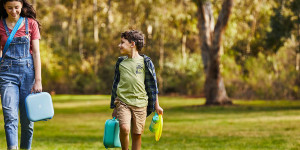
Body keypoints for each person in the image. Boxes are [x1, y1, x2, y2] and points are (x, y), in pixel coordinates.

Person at [111, 30, 164, 150]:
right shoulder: (120, 62)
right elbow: (116, 85)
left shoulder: (146, 62)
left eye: (122, 42)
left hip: (140, 104)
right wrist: (115, 107)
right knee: (124, 128)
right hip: (123, 102)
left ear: (132, 44)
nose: (119, 45)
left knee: (137, 134)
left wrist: (157, 106)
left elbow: (152, 86)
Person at [0, 0, 42, 149]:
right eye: (9, 8)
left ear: (22, 6)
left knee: (27, 121)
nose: (13, 11)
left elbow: (36, 53)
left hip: (28, 75)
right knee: (10, 115)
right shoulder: (0, 25)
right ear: (4, 7)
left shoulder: (31, 24)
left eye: (16, 7)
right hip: (6, 75)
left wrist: (38, 80)